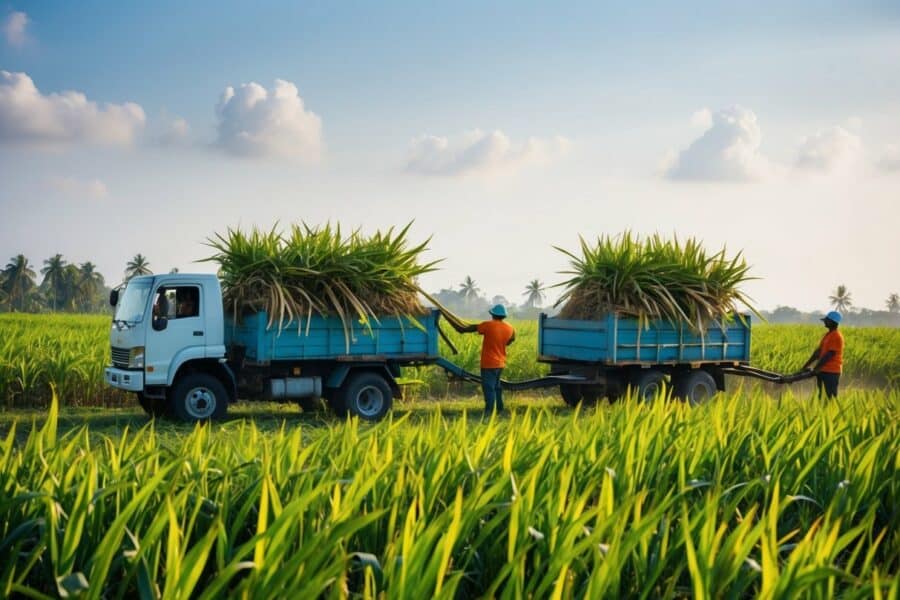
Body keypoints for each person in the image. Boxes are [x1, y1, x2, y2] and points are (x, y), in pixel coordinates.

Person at [461, 304, 516, 413]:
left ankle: (489, 412)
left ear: (492, 314)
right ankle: (500, 410)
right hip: (500, 363)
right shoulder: (510, 328)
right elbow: (511, 340)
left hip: (489, 363)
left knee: (489, 388)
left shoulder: (488, 325)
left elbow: (466, 329)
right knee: (497, 387)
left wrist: (452, 322)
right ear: (504, 316)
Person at [802, 310, 844, 399]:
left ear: (833, 322)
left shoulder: (836, 336)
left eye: (826, 320)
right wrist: (805, 366)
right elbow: (817, 353)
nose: (824, 321)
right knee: (821, 396)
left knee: (830, 397)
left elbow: (829, 355)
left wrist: (816, 368)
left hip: (831, 372)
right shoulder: (828, 335)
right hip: (823, 370)